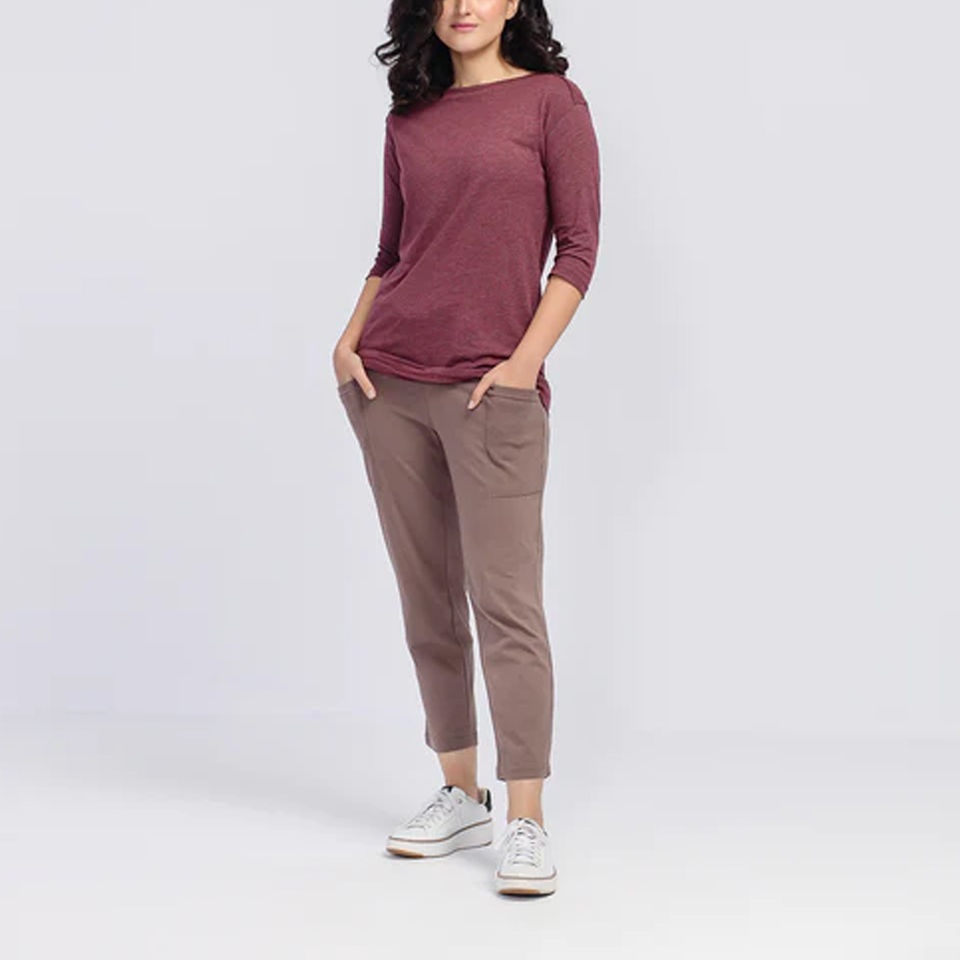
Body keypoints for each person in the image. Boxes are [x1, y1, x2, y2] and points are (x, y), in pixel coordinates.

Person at [332, 0, 600, 897]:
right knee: (428, 602)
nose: (462, 6)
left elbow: (578, 250)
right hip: (388, 383)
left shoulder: (552, 103)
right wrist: (348, 342)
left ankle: (526, 817)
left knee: (507, 605)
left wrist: (522, 367)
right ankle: (461, 794)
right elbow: (390, 250)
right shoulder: (409, 117)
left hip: (495, 392)